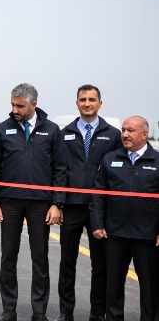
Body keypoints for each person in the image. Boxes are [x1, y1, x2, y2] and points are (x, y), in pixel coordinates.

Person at [0, 83, 66, 321]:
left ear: (34, 104)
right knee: (8, 257)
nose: (15, 110)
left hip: (40, 204)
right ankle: (9, 309)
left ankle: (39, 312)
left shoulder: (52, 131)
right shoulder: (3, 129)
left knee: (40, 258)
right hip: (9, 202)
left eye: (20, 106)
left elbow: (60, 169)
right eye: (12, 105)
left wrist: (57, 203)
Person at [55, 85, 121, 321]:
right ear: (77, 103)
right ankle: (66, 312)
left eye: (92, 99)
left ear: (100, 103)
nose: (87, 103)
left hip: (99, 209)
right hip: (72, 207)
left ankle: (97, 313)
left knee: (100, 264)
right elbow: (59, 170)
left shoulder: (113, 135)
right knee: (67, 262)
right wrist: (58, 203)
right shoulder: (64, 133)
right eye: (82, 99)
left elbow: (117, 173)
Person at [90, 116, 159, 321]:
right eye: (123, 130)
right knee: (113, 287)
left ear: (144, 134)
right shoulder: (110, 159)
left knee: (150, 287)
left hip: (147, 236)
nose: (125, 134)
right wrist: (97, 223)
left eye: (130, 130)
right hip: (115, 234)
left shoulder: (157, 161)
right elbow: (98, 194)